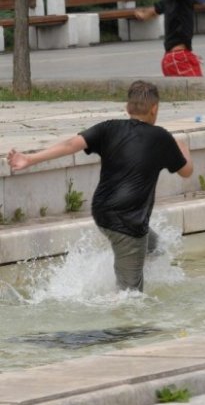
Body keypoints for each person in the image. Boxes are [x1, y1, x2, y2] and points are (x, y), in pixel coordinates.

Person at [7, 80, 194, 293]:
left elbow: (70, 145)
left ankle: (125, 270)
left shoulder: (109, 128)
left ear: (127, 108)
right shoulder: (162, 138)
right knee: (130, 296)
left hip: (103, 212)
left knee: (155, 247)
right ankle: (125, 313)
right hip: (129, 221)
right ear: (155, 109)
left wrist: (29, 159)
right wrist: (183, 148)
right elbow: (186, 171)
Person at [135, 0, 205, 77]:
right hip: (178, 59)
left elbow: (152, 11)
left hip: (172, 58)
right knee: (197, 89)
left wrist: (143, 15)